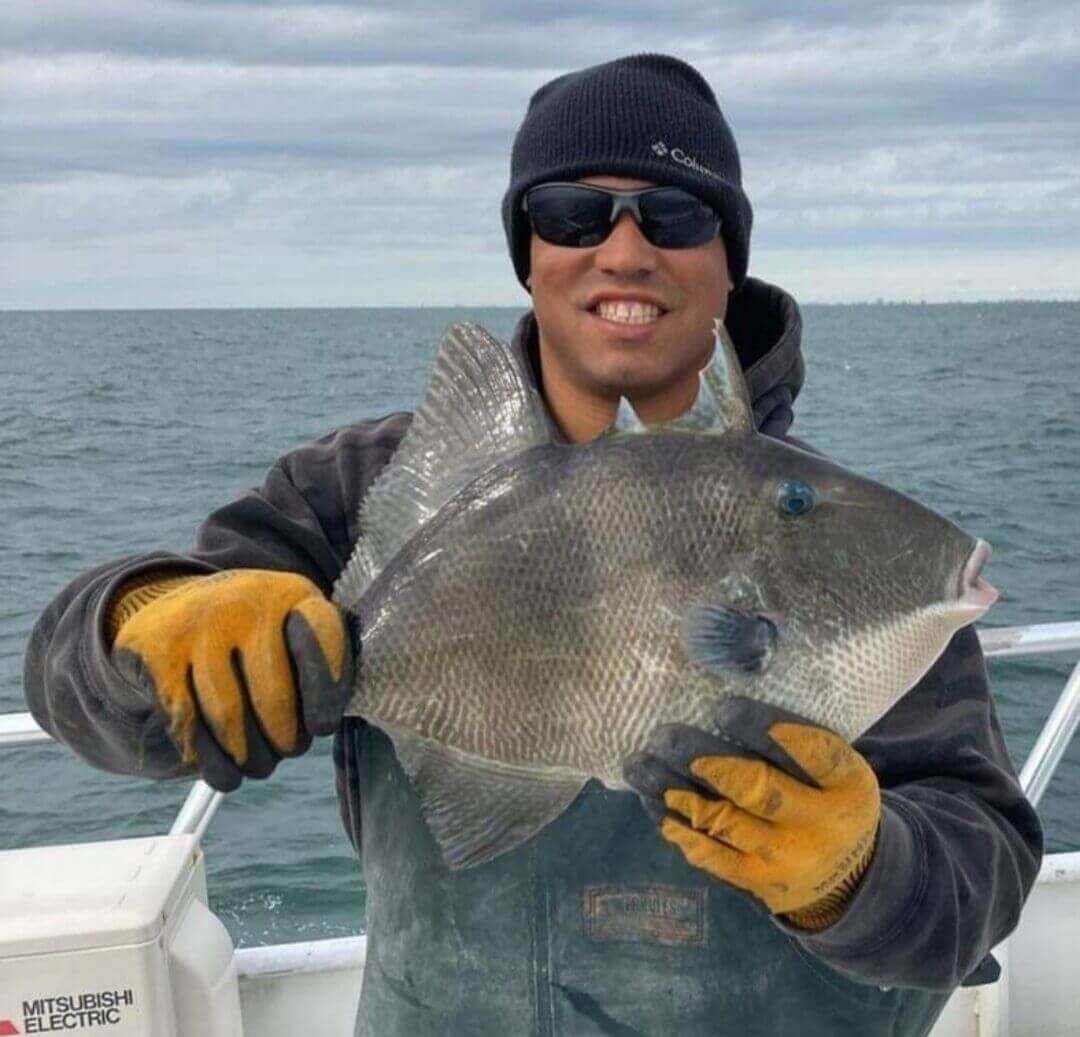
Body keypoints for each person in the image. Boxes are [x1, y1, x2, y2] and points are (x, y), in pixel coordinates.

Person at [24, 54, 1041, 1036]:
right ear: (530, 251)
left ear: (730, 257)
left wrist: (854, 875)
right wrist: (145, 615)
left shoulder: (824, 531)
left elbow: (978, 879)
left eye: (677, 215)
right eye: (574, 212)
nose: (626, 250)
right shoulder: (366, 488)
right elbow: (89, 699)